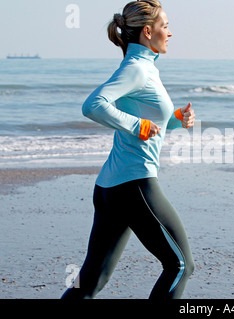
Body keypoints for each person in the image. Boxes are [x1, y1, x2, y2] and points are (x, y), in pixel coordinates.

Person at [61, 0, 196, 299]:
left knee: (91, 281)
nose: (170, 33)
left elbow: (150, 120)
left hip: (112, 188)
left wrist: (176, 119)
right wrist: (138, 126)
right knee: (180, 265)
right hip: (134, 185)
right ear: (148, 31)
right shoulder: (137, 69)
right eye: (165, 26)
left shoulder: (145, 67)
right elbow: (92, 105)